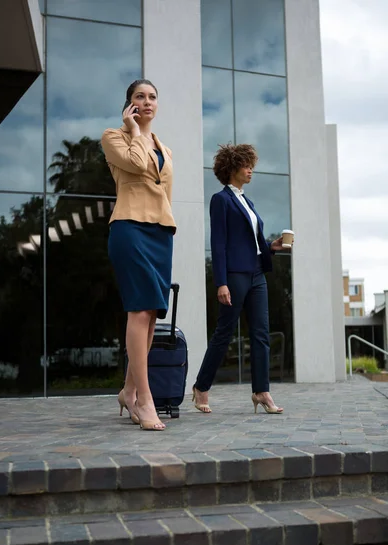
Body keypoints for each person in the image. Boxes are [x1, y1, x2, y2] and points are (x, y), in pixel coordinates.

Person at [192, 143, 291, 415]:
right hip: (234, 276)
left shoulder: (248, 202)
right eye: (246, 166)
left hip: (257, 274)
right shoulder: (221, 200)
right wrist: (220, 282)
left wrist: (271, 245)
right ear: (232, 168)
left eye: (252, 166)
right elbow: (219, 243)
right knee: (224, 334)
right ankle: (201, 387)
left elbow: (251, 241)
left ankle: (262, 391)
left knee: (261, 334)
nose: (251, 171)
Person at [101, 79, 175, 431]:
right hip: (130, 228)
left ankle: (129, 390)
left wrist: (167, 225)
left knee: (152, 315)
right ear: (128, 104)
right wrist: (134, 129)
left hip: (160, 232)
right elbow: (134, 163)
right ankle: (145, 401)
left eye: (152, 97)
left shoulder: (166, 149)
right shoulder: (114, 137)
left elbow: (164, 193)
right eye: (139, 97)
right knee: (139, 309)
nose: (147, 102)